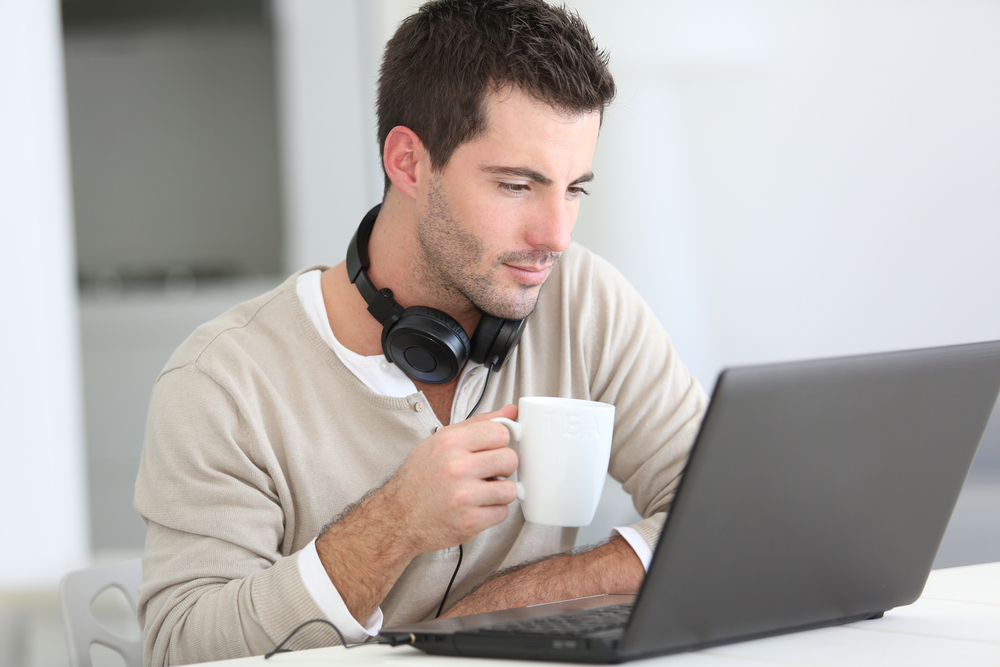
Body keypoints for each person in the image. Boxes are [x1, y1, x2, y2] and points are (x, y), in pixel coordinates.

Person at [134, 1, 707, 665]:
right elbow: (180, 647)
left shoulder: (585, 301)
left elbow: (726, 514)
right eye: (518, 185)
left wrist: (496, 609)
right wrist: (396, 523)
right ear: (408, 163)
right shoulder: (222, 381)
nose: (556, 235)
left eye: (574, 188)